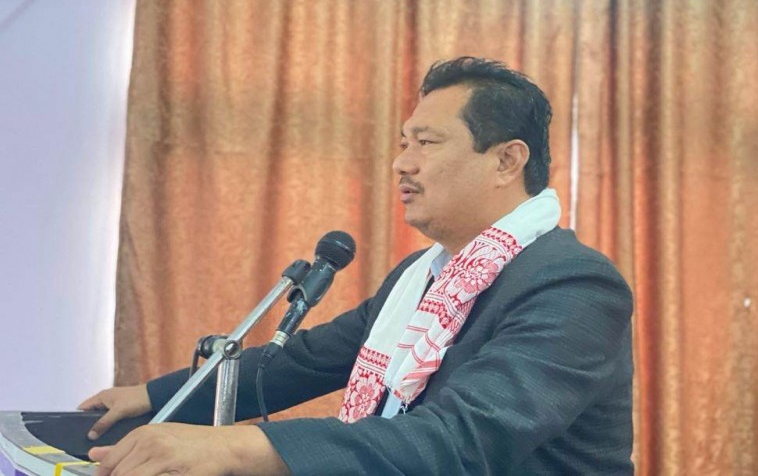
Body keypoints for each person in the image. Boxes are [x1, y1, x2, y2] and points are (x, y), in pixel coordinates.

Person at [79, 57, 634, 475]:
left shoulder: (572, 286)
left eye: (426, 142)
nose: (402, 163)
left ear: (507, 160)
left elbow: (462, 439)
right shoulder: (424, 275)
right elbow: (301, 363)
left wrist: (236, 449)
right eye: (403, 142)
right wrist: (152, 396)